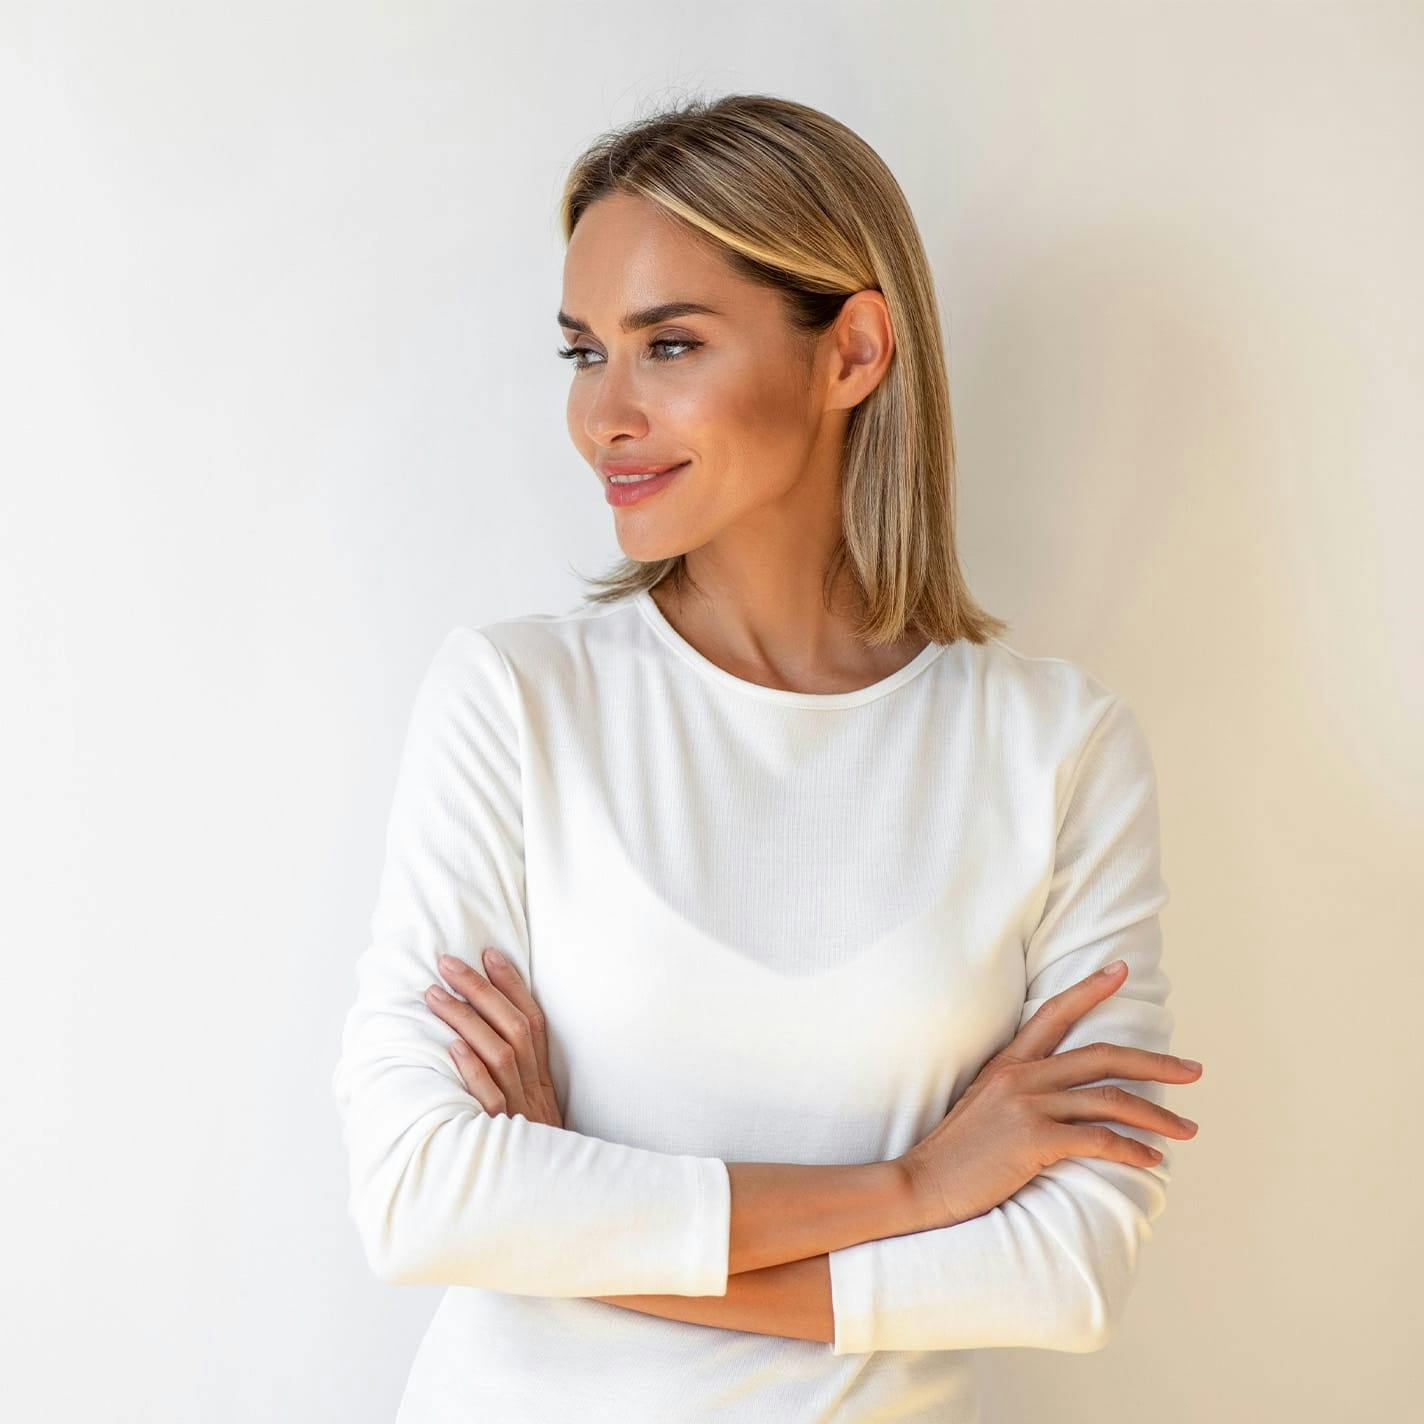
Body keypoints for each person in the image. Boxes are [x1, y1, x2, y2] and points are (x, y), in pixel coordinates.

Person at [331, 92, 1203, 1424]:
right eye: (583, 353)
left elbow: (1063, 1272)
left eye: (668, 344)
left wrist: (575, 1204)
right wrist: (914, 1193)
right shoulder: (516, 700)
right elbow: (421, 1197)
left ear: (852, 351)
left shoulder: (1054, 749)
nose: (604, 416)